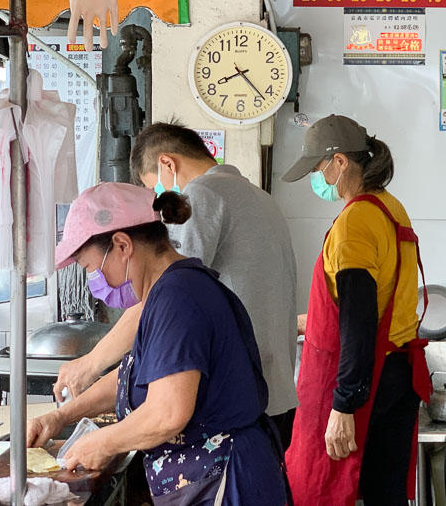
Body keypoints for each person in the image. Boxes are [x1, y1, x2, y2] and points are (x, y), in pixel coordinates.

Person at [28, 183, 288, 505]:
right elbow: (132, 378)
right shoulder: (168, 292)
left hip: (225, 482)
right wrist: (61, 417)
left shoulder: (179, 297)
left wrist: (104, 442)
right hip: (210, 477)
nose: (93, 281)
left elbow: (168, 412)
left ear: (122, 245)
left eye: (89, 268)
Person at [53, 122, 299, 447]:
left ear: (167, 164)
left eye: (154, 189)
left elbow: (163, 291)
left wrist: (91, 363)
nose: (161, 202)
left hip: (235, 406)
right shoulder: (259, 196)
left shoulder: (203, 195)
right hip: (274, 392)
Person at [280, 115, 432, 506]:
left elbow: (359, 320)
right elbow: (375, 300)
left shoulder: (355, 222)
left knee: (321, 489)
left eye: (318, 167)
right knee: (386, 493)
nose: (318, 177)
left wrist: (344, 404)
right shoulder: (390, 207)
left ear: (340, 162)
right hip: (398, 373)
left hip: (363, 379)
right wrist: (304, 322)